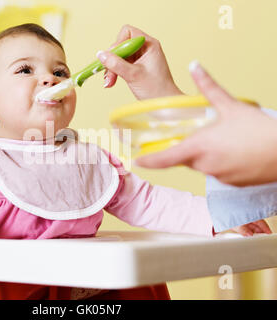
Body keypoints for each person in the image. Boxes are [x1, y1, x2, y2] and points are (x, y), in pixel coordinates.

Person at [0, 23, 270, 300]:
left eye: (60, 71)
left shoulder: (90, 160)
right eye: (25, 70)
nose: (49, 79)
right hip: (14, 290)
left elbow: (146, 200)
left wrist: (217, 219)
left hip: (90, 290)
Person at [97, 24, 277, 232]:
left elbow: (141, 202)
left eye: (59, 72)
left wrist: (212, 216)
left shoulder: (93, 163)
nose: (50, 80)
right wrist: (166, 98)